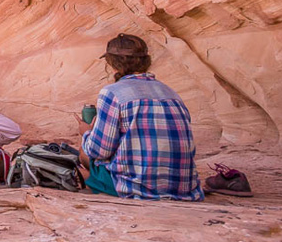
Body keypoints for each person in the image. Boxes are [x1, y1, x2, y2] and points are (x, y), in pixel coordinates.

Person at [76, 33, 203, 200]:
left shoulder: (112, 93)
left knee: (83, 157)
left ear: (112, 64)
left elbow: (98, 150)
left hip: (137, 188)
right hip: (183, 188)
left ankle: (91, 181)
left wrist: (86, 132)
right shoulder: (171, 93)